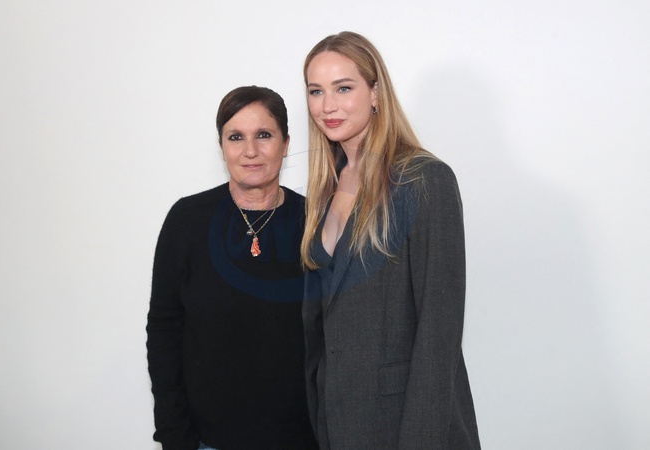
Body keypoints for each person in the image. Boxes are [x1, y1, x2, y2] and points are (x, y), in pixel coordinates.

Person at [300, 31, 482, 449]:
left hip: (404, 427)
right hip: (336, 423)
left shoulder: (424, 180)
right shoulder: (325, 189)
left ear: (376, 93)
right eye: (316, 91)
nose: (328, 106)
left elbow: (439, 332)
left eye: (343, 88)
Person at [147, 86, 318, 450]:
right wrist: (175, 435)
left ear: (286, 144)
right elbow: (164, 329)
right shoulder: (187, 220)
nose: (250, 151)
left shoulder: (316, 221)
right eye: (236, 137)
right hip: (207, 440)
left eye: (264, 135)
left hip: (301, 439)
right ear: (222, 146)